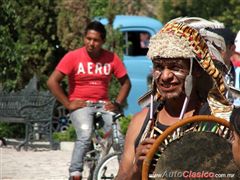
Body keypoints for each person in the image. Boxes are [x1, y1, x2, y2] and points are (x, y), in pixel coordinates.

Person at [116, 17, 234, 179]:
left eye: (175, 67)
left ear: (196, 71)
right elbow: (121, 176)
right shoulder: (141, 122)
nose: (165, 76)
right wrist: (137, 167)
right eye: (159, 67)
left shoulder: (219, 122)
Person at [47, 21, 131, 180]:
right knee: (85, 134)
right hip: (82, 105)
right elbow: (52, 81)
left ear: (103, 41)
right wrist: (68, 103)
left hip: (103, 105)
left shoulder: (111, 58)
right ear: (84, 38)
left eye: (96, 40)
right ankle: (75, 173)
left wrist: (117, 103)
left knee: (118, 137)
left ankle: (125, 174)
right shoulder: (72, 57)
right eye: (88, 38)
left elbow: (126, 83)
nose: (91, 43)